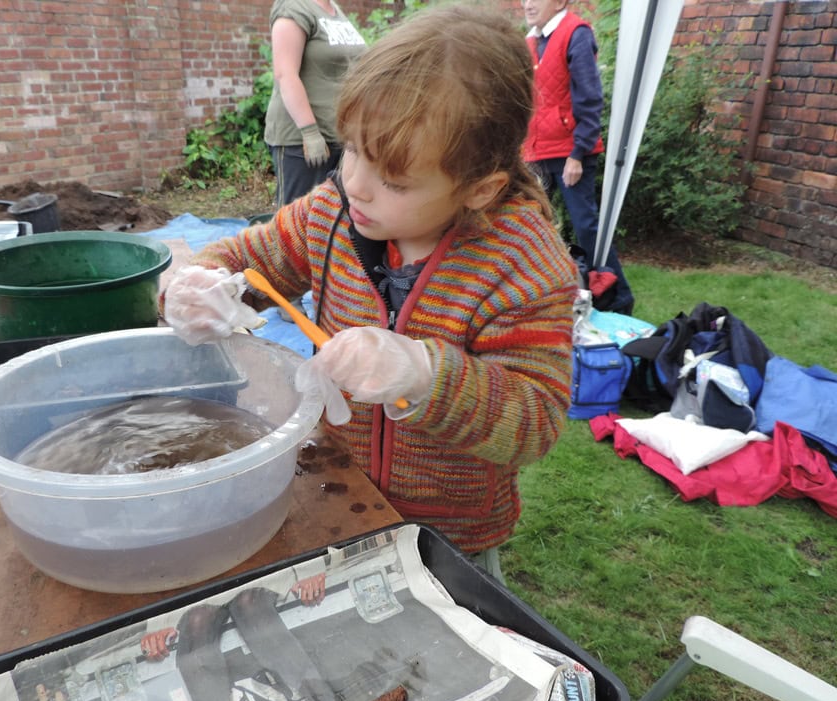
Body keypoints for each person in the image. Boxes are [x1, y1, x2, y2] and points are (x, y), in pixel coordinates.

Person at [164, 3, 578, 582]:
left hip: (449, 536)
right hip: (338, 491)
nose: (354, 183)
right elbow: (246, 259)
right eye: (353, 148)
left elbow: (534, 422)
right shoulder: (333, 210)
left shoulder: (523, 267)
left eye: (395, 180)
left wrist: (426, 375)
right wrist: (204, 285)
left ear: (480, 189)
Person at [522, 0, 634, 314]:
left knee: (586, 227)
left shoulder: (576, 33)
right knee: (531, 223)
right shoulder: (531, 40)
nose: (528, 3)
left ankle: (620, 299)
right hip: (537, 154)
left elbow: (590, 97)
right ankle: (542, 296)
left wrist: (578, 154)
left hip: (571, 153)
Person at [264, 0, 366, 209]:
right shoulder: (293, 8)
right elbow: (285, 74)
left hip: (338, 136)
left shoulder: (334, 10)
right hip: (303, 141)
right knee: (298, 217)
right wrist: (310, 132)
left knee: (333, 215)